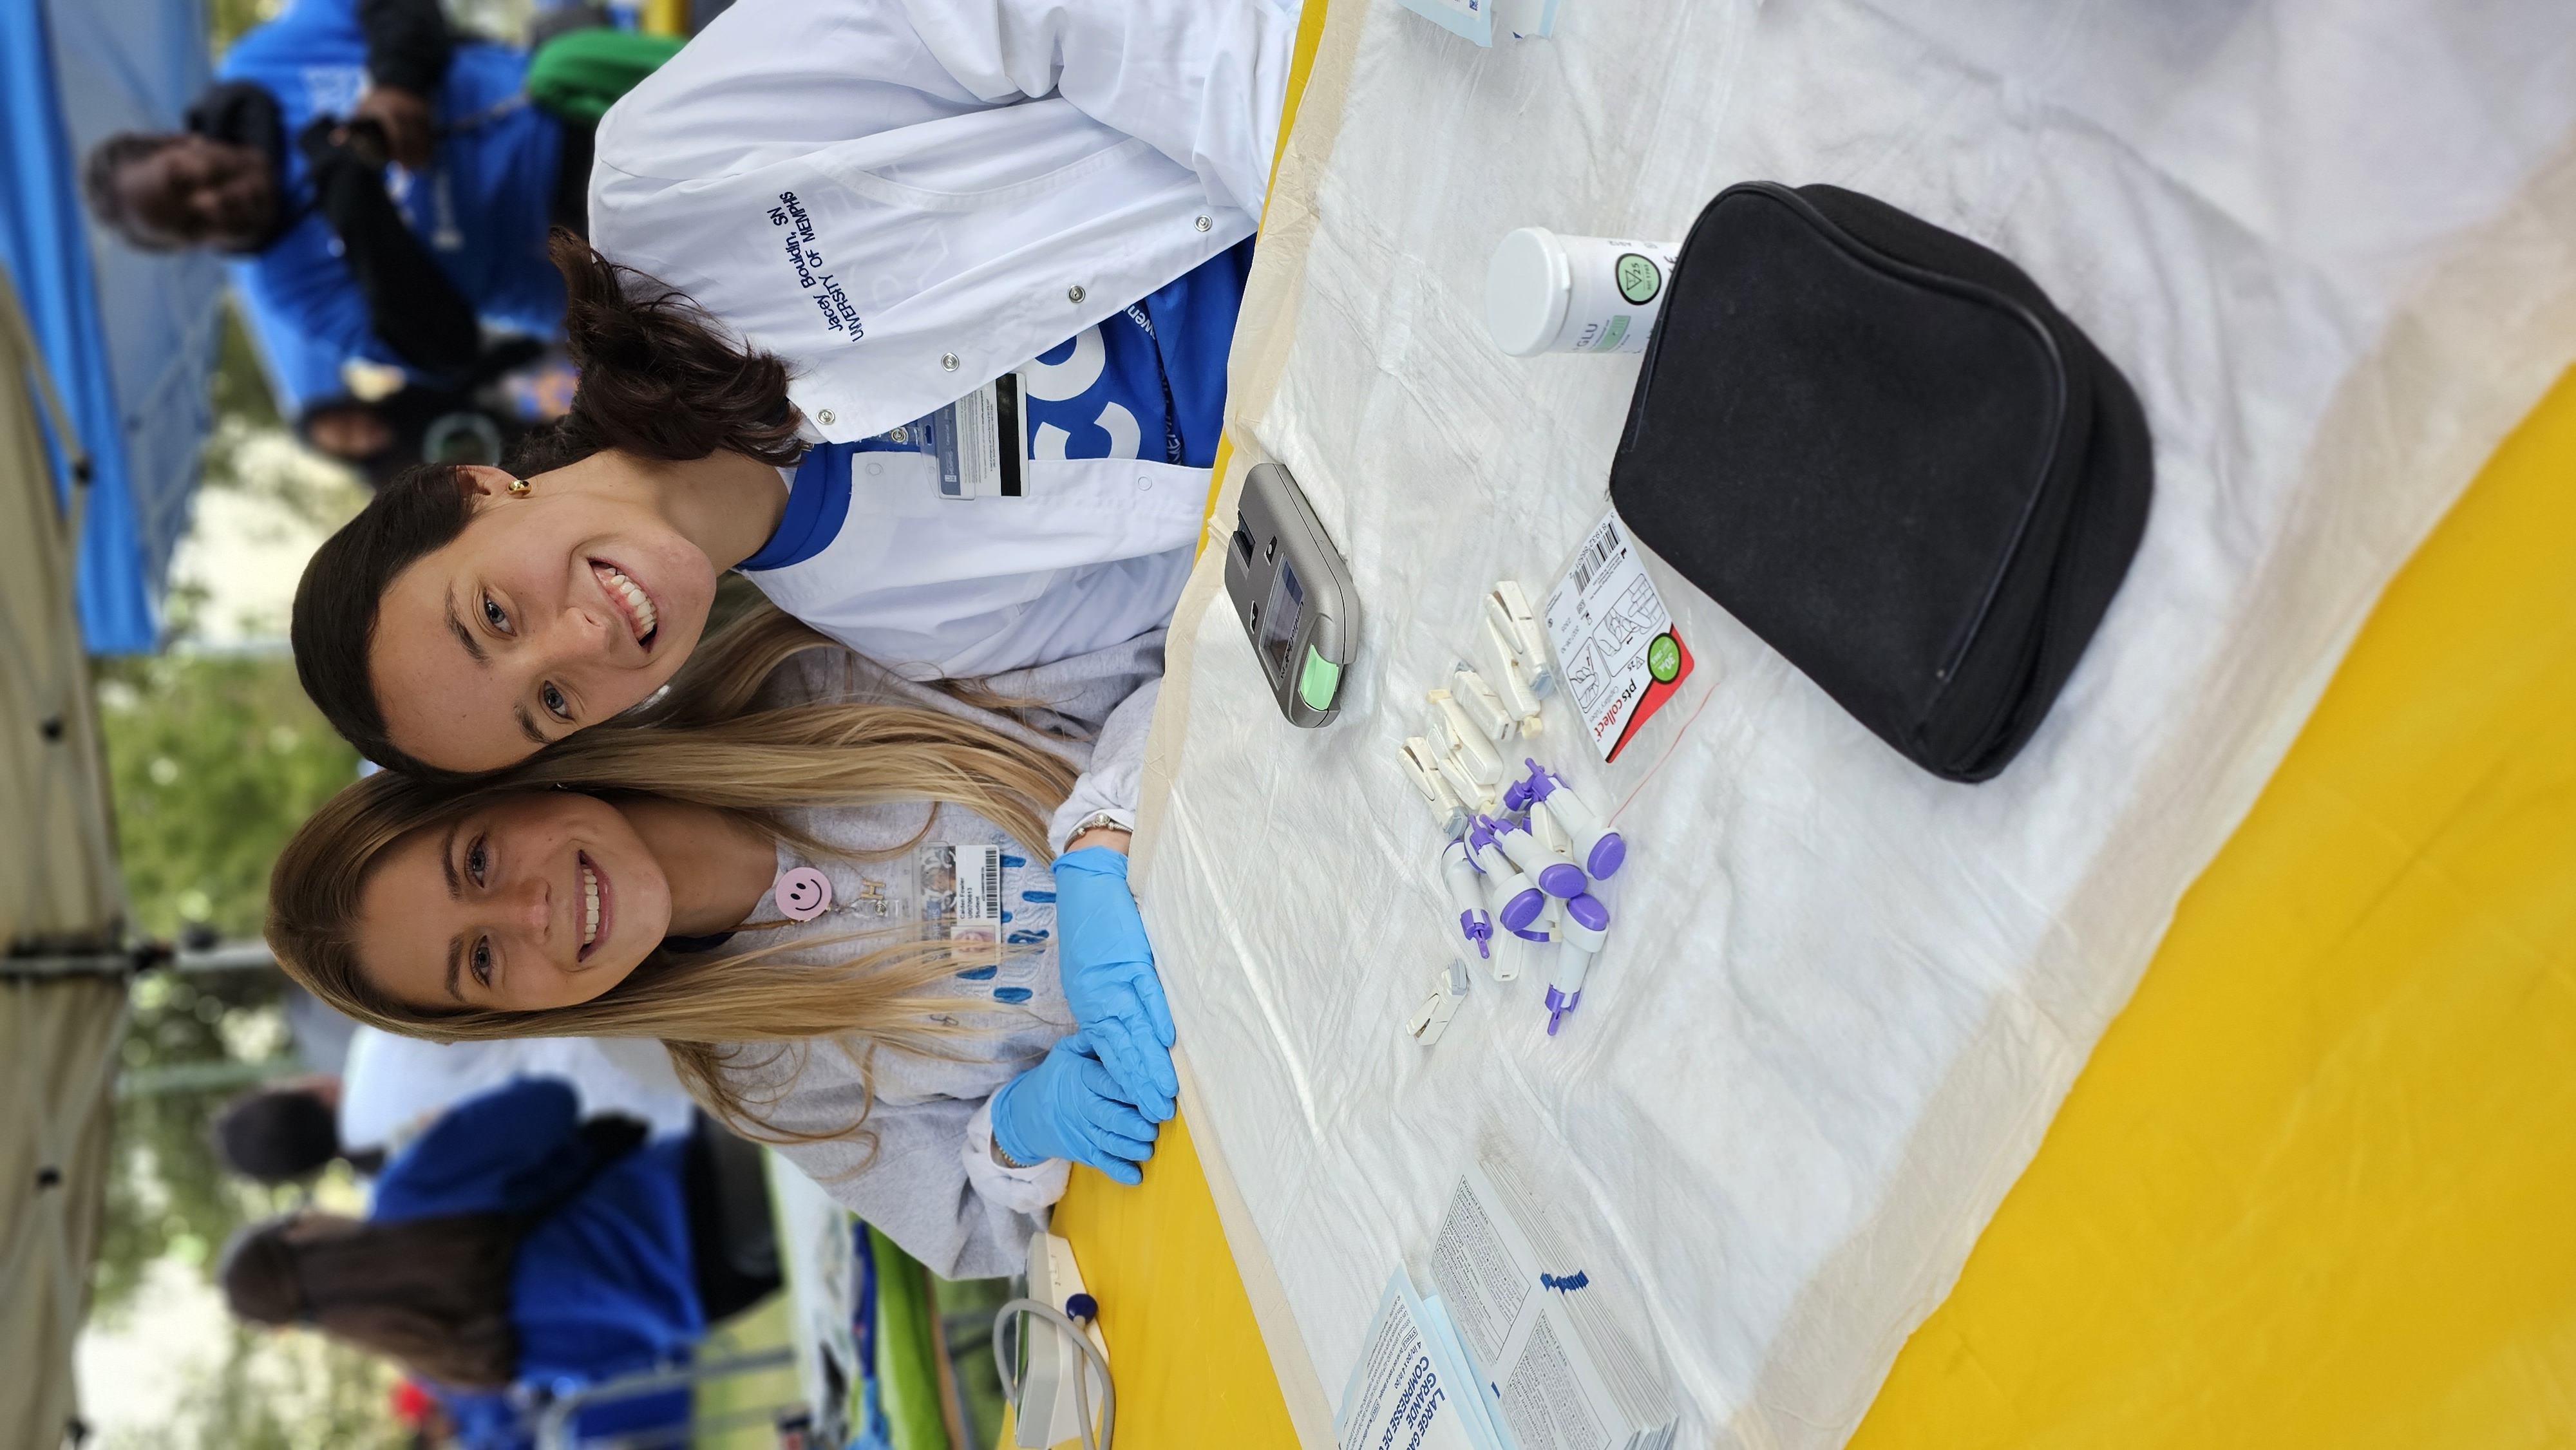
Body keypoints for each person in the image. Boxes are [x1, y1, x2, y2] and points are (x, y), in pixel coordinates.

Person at [288, 0, 1299, 775]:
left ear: (470, 488)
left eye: (497, 615)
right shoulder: (910, 622)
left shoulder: (669, 188)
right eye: (553, 703)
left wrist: (1314, 183)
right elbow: (1190, 608)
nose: (587, 640)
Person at [266, 614, 1175, 1277]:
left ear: (504, 785)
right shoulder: (760, 1082)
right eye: (481, 961)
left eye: (478, 860)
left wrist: (1106, 838)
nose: (530, 915)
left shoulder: (815, 675)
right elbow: (977, 1229)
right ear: (511, 1015)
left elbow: (1164, 641)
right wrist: (1019, 1135)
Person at [80, 0, 675, 411]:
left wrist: (397, 82)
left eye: (186, 180)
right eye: (194, 224)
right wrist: (356, 206)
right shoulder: (291, 291)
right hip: (593, 265)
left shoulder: (260, 66)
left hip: (579, 123)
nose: (212, 201)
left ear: (179, 140)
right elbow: (446, 351)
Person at [218, 1077, 775, 1445]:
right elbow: (551, 1101)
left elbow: (609, 1359)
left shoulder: (441, 1359)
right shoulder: (404, 1198)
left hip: (721, 1291)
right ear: (300, 1231)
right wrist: (443, 1133)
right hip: (701, 1187)